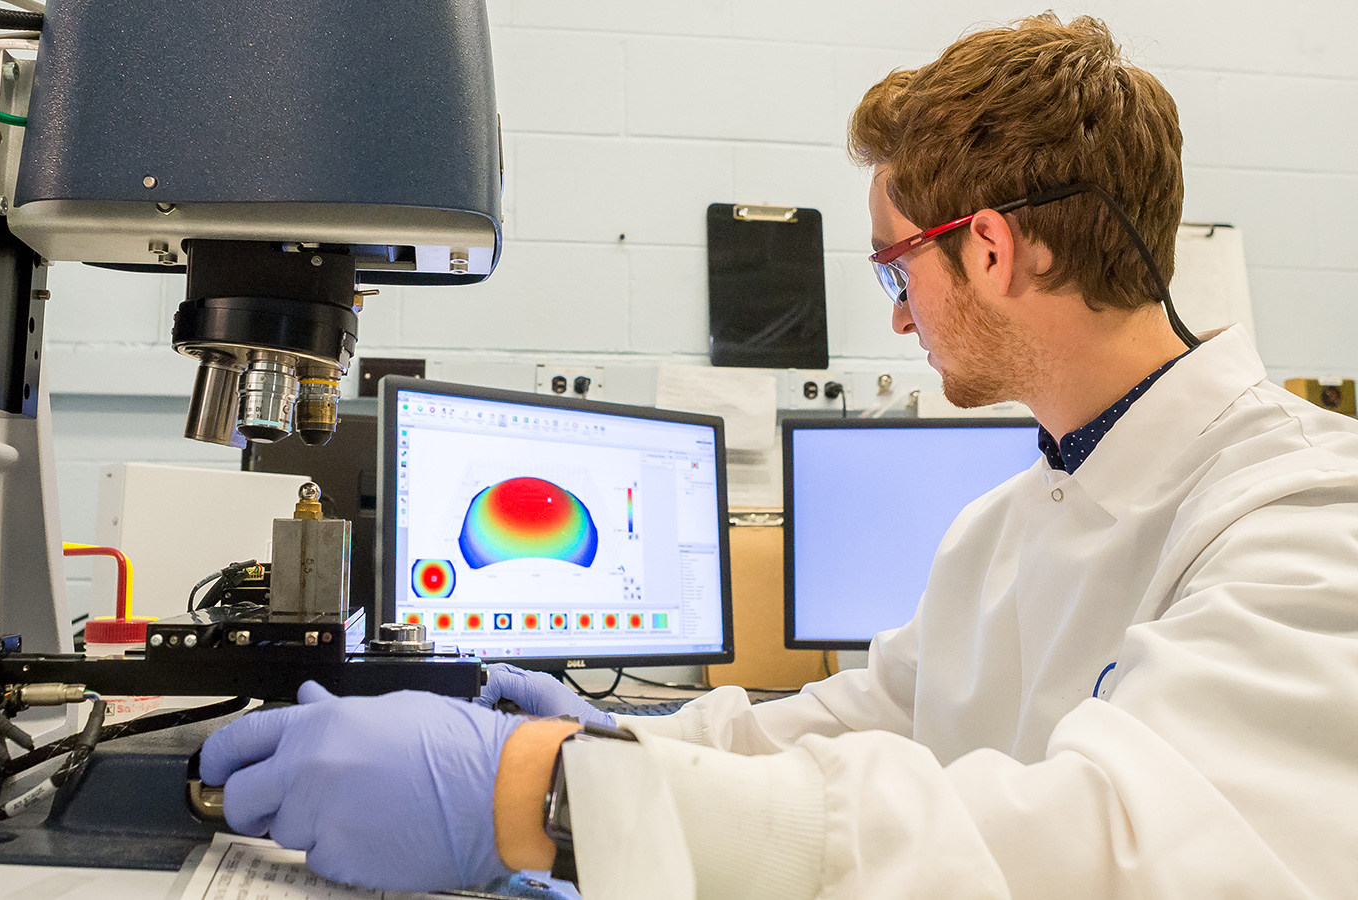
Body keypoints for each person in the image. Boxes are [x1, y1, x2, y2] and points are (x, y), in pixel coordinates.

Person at [200, 13, 1358, 899]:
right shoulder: (1010, 524)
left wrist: (542, 798)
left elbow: (1107, 852)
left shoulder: (1306, 521)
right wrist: (613, 740)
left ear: (992, 251)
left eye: (894, 270)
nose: (898, 318)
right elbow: (874, 720)